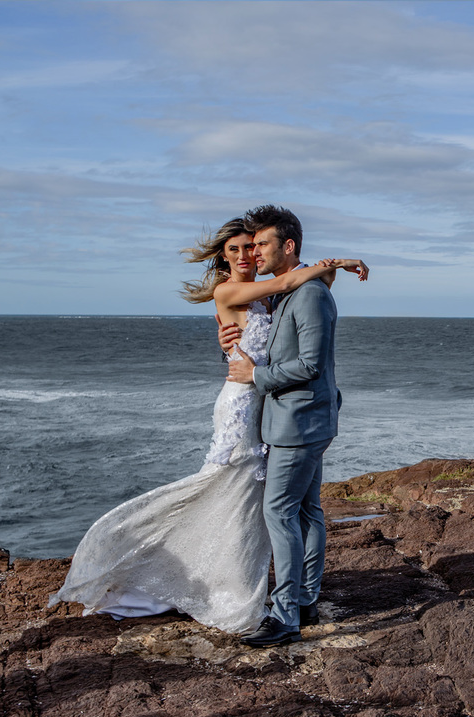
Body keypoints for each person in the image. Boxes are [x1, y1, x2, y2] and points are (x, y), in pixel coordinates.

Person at [48, 217, 366, 633]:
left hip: (274, 407)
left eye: (252, 246)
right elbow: (286, 294)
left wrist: (328, 270)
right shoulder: (237, 290)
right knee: (236, 488)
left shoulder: (283, 296)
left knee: (268, 505)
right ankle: (200, 576)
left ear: (280, 247)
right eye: (236, 249)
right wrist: (335, 264)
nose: (247, 254)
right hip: (245, 406)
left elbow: (286, 333)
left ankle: (283, 598)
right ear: (222, 257)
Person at [224, 204, 345, 648]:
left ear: (287, 246)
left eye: (261, 244)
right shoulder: (289, 293)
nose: (254, 252)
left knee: (278, 511)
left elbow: (310, 364)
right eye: (249, 245)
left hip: (299, 421)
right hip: (306, 418)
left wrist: (255, 377)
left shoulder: (309, 296)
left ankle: (285, 615)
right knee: (307, 510)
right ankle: (306, 598)